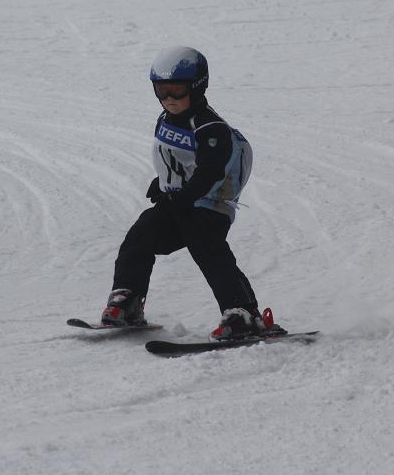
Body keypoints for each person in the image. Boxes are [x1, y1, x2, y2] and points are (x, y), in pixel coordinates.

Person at [100, 46, 274, 340]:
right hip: (179, 203)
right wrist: (162, 183)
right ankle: (127, 299)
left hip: (211, 206)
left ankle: (243, 313)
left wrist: (183, 196)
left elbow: (210, 172)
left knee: (206, 246)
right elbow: (177, 159)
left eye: (177, 90)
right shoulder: (165, 119)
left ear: (197, 86)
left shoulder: (212, 128)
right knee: (140, 234)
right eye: (161, 90)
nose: (169, 98)